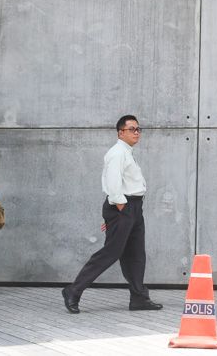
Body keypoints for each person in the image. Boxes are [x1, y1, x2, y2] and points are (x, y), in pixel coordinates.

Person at [62, 115, 162, 314]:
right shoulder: (117, 153)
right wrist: (121, 212)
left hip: (132, 208)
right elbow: (113, 185)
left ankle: (139, 298)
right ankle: (73, 290)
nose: (136, 132)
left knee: (136, 255)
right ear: (120, 133)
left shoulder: (126, 152)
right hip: (123, 206)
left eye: (138, 129)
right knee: (111, 253)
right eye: (132, 129)